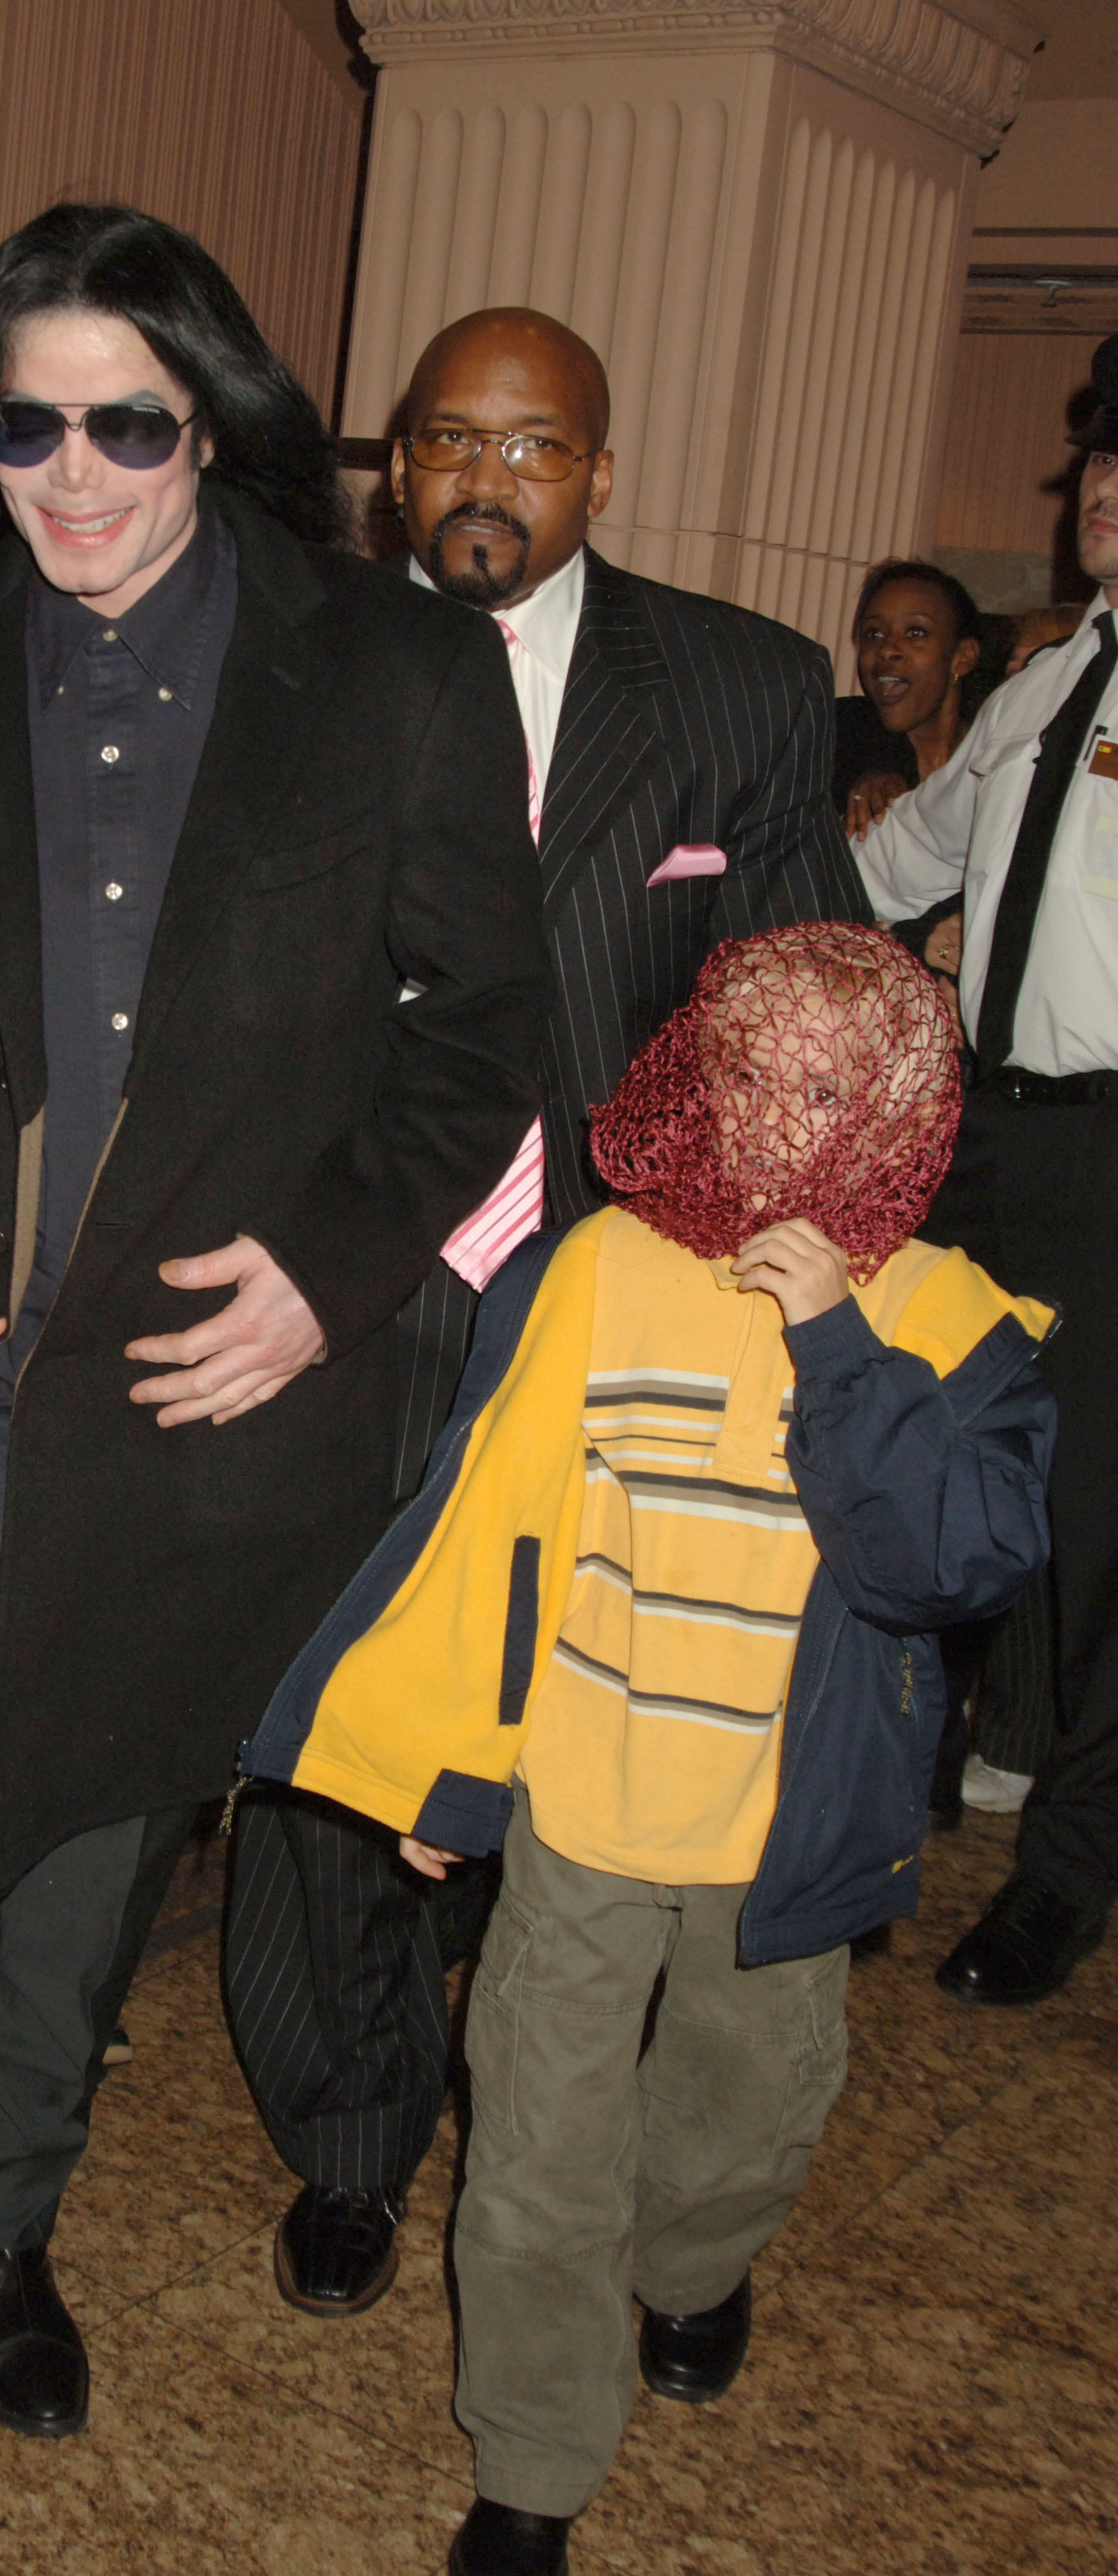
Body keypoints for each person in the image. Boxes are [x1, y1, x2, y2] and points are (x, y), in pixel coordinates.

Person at [0, 204, 549, 2438]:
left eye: (129, 417)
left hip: (206, 1391)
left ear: (208, 417)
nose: (78, 468)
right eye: (28, 421)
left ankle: (6, 2211)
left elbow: (478, 1028)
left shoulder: (390, 669)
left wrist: (330, 1274)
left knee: (97, 1852)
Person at [245, 922, 1055, 2576]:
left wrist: (841, 1344)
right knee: (538, 2145)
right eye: (754, 1078)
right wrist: (449, 1765)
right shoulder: (600, 1271)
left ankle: (693, 2267)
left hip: (784, 1831)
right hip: (588, 1805)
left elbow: (954, 1557)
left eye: (825, 1093)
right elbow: (495, 1524)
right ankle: (534, 2463)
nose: (782, 1123)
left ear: (896, 1110)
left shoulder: (950, 1316)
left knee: (740, 2121)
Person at [225, 304, 867, 2321]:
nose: (481, 478)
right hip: (349, 1286)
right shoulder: (277, 658)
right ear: (388, 462)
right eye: (443, 439)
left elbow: (803, 1007)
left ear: (601, 475)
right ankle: (348, 2126)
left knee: (641, 1767)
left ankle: (658, 2201)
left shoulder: (744, 692)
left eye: (529, 446)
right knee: (352, 1715)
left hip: (627, 1308)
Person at [853, 331, 1118, 2009]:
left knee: (1090, 1531)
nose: (1105, 492)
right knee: (898, 1444)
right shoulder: (1032, 690)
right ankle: (862, 1804)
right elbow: (893, 861)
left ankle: (1065, 1876)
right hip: (983, 1130)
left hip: (1112, 1152)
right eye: (1098, 465)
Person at [833, 558, 985, 835]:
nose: (887, 650)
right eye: (873, 633)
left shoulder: (992, 755)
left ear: (963, 657)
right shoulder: (832, 734)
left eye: (916, 632)